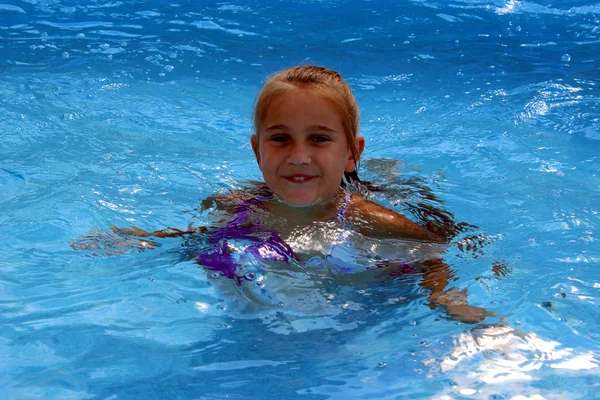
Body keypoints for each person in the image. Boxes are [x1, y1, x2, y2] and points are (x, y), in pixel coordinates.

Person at [74, 65, 494, 323]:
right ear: (257, 150)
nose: (298, 156)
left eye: (318, 139)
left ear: (351, 153)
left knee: (398, 187)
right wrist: (149, 240)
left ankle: (385, 174)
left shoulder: (380, 223)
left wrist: (444, 297)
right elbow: (200, 240)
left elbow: (439, 256)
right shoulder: (233, 206)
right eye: (280, 139)